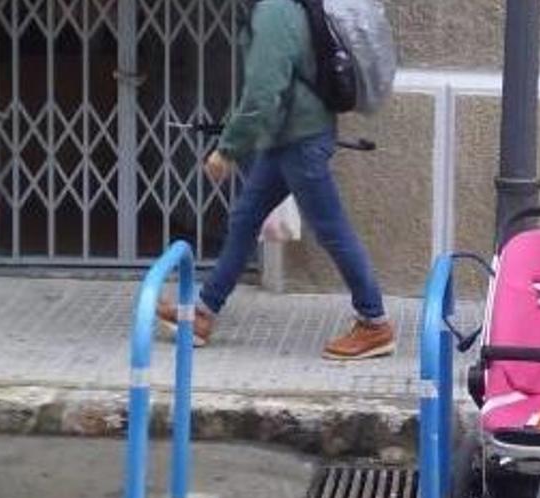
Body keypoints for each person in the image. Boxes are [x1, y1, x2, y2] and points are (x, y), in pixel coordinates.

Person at [157, 0, 394, 361]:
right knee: (244, 220)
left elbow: (263, 93)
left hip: (301, 140)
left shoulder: (274, 11)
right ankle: (203, 314)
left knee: (332, 229)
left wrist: (229, 149)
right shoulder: (274, 8)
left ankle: (374, 323)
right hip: (285, 139)